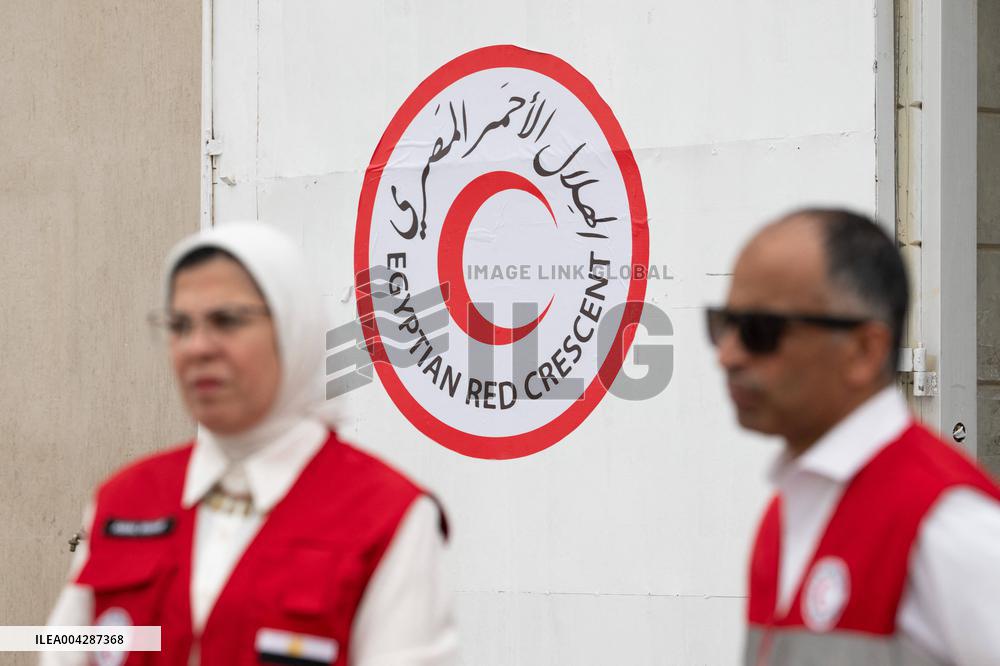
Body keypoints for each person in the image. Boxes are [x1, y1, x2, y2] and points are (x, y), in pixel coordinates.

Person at [43, 222, 458, 665]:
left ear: (291, 330)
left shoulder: (390, 518)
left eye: (227, 320)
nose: (197, 347)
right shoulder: (122, 500)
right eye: (180, 325)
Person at [707, 208, 1000, 665]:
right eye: (722, 325)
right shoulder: (786, 514)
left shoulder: (944, 523)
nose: (727, 356)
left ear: (865, 350)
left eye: (759, 332)